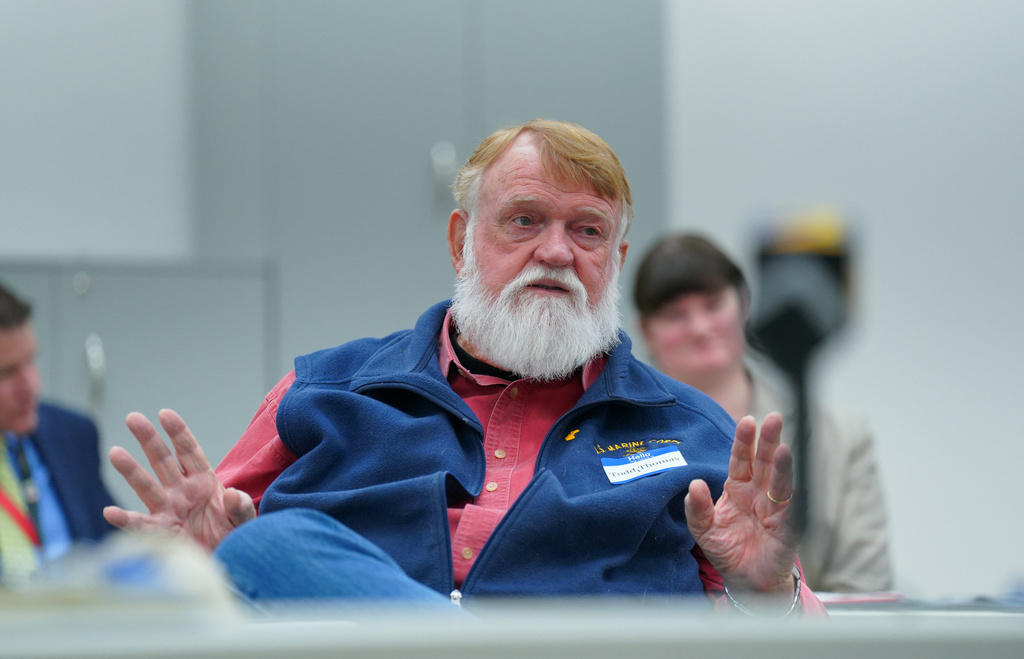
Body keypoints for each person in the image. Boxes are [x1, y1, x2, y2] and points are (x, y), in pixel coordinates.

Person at [104, 119, 825, 616]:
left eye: (587, 231)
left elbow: (801, 637)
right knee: (271, 546)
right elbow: (189, 583)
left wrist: (761, 590)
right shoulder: (325, 390)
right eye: (523, 220)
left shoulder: (693, 432)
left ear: (616, 260)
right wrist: (192, 569)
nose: (555, 252)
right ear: (461, 242)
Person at [633, 232, 893, 593]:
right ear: (646, 331)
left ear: (744, 305)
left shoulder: (839, 435)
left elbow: (865, 590)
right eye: (676, 315)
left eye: (712, 305)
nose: (700, 328)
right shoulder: (616, 435)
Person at [0, 281, 116, 584]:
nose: (31, 384)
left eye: (31, 361)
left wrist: (165, 536)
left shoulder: (71, 434)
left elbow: (114, 545)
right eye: (8, 372)